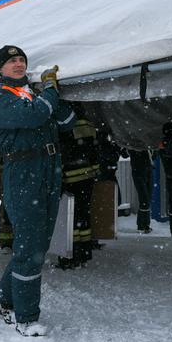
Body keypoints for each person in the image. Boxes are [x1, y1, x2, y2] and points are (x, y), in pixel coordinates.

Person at [0, 45, 75, 336]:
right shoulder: (1, 96)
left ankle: (4, 299)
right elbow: (36, 116)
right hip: (23, 174)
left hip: (47, 170)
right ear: (0, 69)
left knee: (36, 246)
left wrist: (50, 95)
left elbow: (68, 120)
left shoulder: (33, 94)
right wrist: (50, 91)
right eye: (12, 61)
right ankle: (25, 317)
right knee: (30, 247)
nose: (19, 64)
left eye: (22, 59)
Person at [59, 114, 101, 268]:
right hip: (87, 177)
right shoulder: (88, 123)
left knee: (69, 218)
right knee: (83, 215)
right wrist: (95, 170)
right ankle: (84, 253)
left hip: (70, 178)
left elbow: (62, 151)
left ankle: (70, 255)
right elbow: (95, 149)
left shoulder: (63, 123)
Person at [128, 149, 153, 233]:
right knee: (144, 199)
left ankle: (142, 224)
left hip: (146, 169)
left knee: (146, 198)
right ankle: (144, 225)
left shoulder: (146, 146)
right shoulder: (135, 145)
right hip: (139, 171)